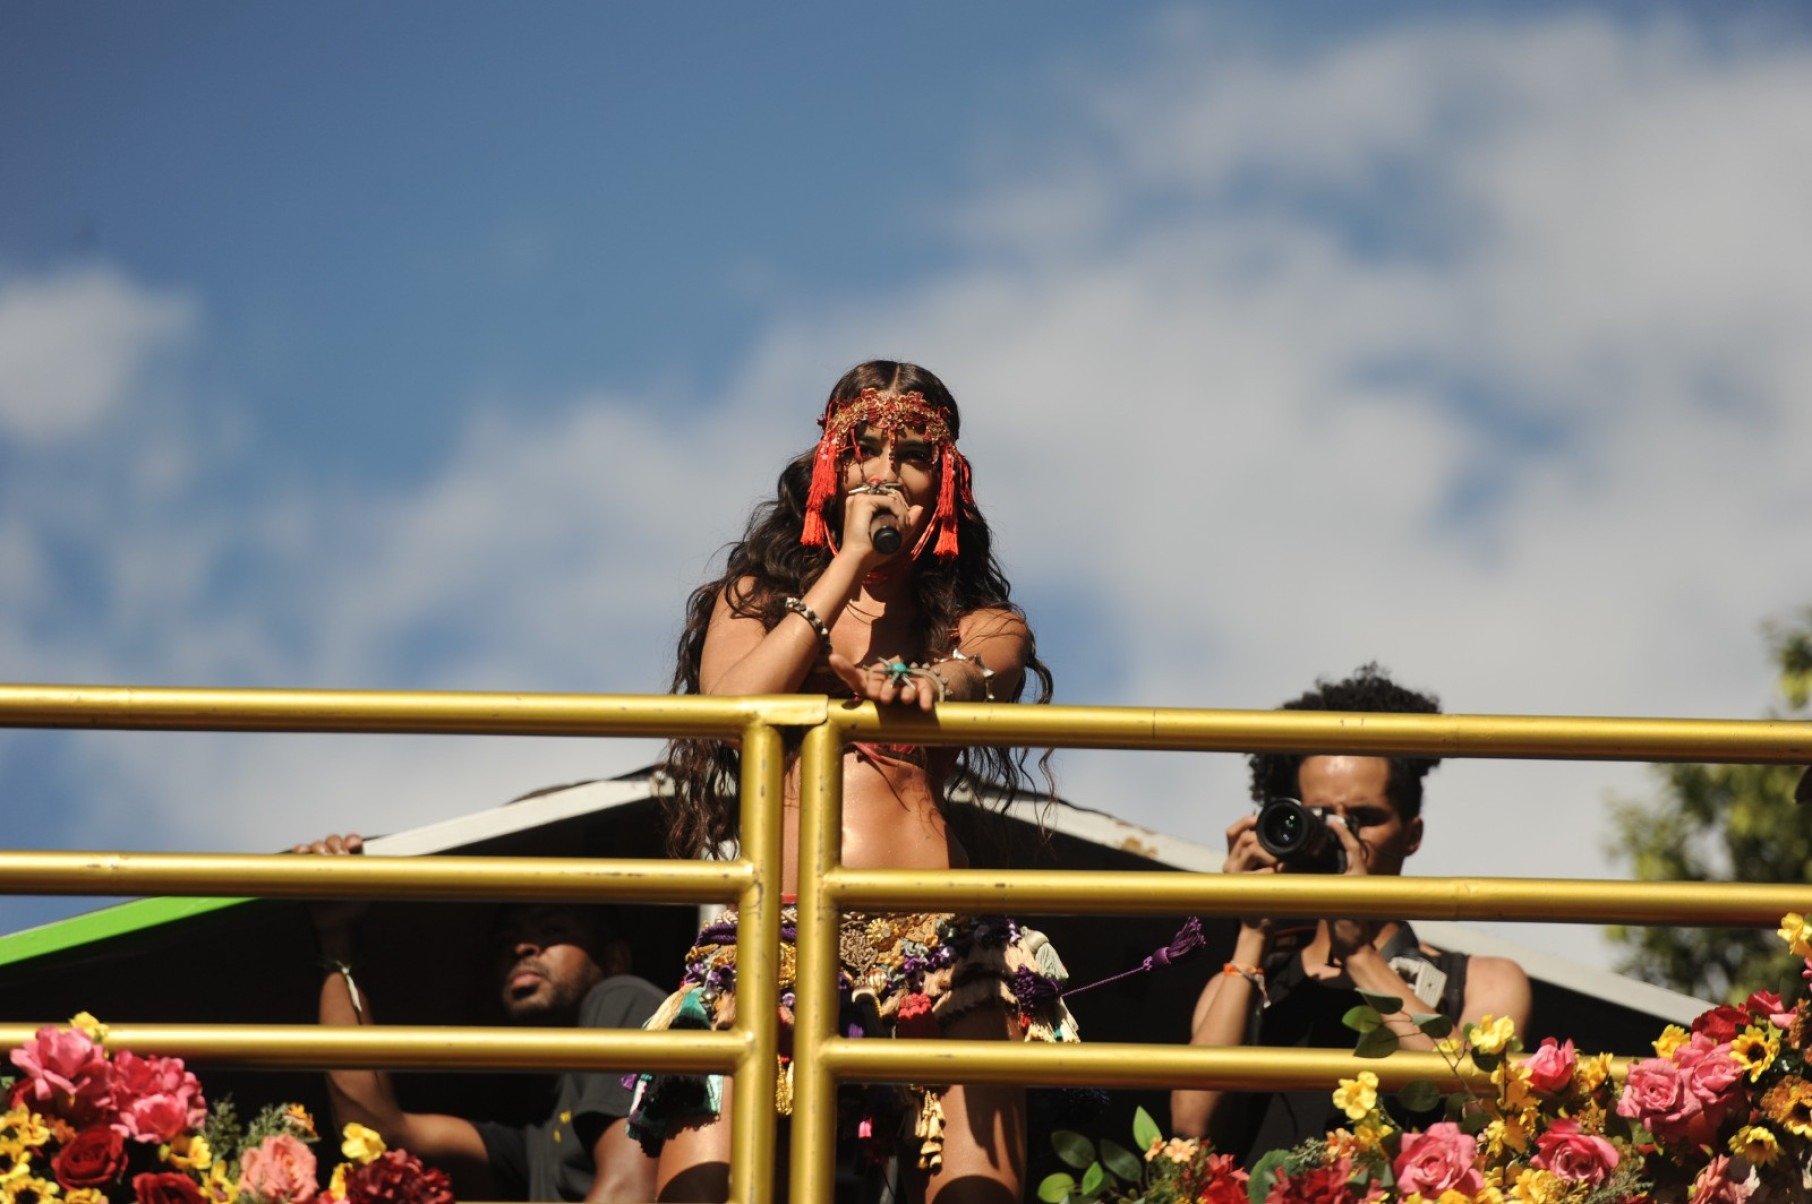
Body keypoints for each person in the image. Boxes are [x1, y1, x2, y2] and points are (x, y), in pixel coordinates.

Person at [633, 360, 1074, 1203]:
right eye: (863, 448)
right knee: (701, 1187)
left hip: (940, 951)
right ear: (827, 468)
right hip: (775, 937)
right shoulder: (755, 597)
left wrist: (927, 686)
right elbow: (733, 705)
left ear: (945, 483)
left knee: (975, 1195)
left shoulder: (978, 621)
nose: (885, 471)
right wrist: (838, 572)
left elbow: (986, 670)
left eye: (911, 453)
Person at [1169, 664, 1532, 1160]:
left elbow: (1483, 1108)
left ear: (1412, 834)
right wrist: (1252, 931)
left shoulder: (1482, 981)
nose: (1340, 835)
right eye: (1320, 817)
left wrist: (1360, 954)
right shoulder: (1241, 981)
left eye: (1363, 818)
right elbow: (1191, 1128)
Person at [297, 833, 665, 1202]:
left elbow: (628, 1191)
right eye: (507, 940)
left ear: (614, 959)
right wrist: (335, 937)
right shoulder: (539, 1134)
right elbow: (375, 1132)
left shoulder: (623, 997)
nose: (522, 947)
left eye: (554, 929)